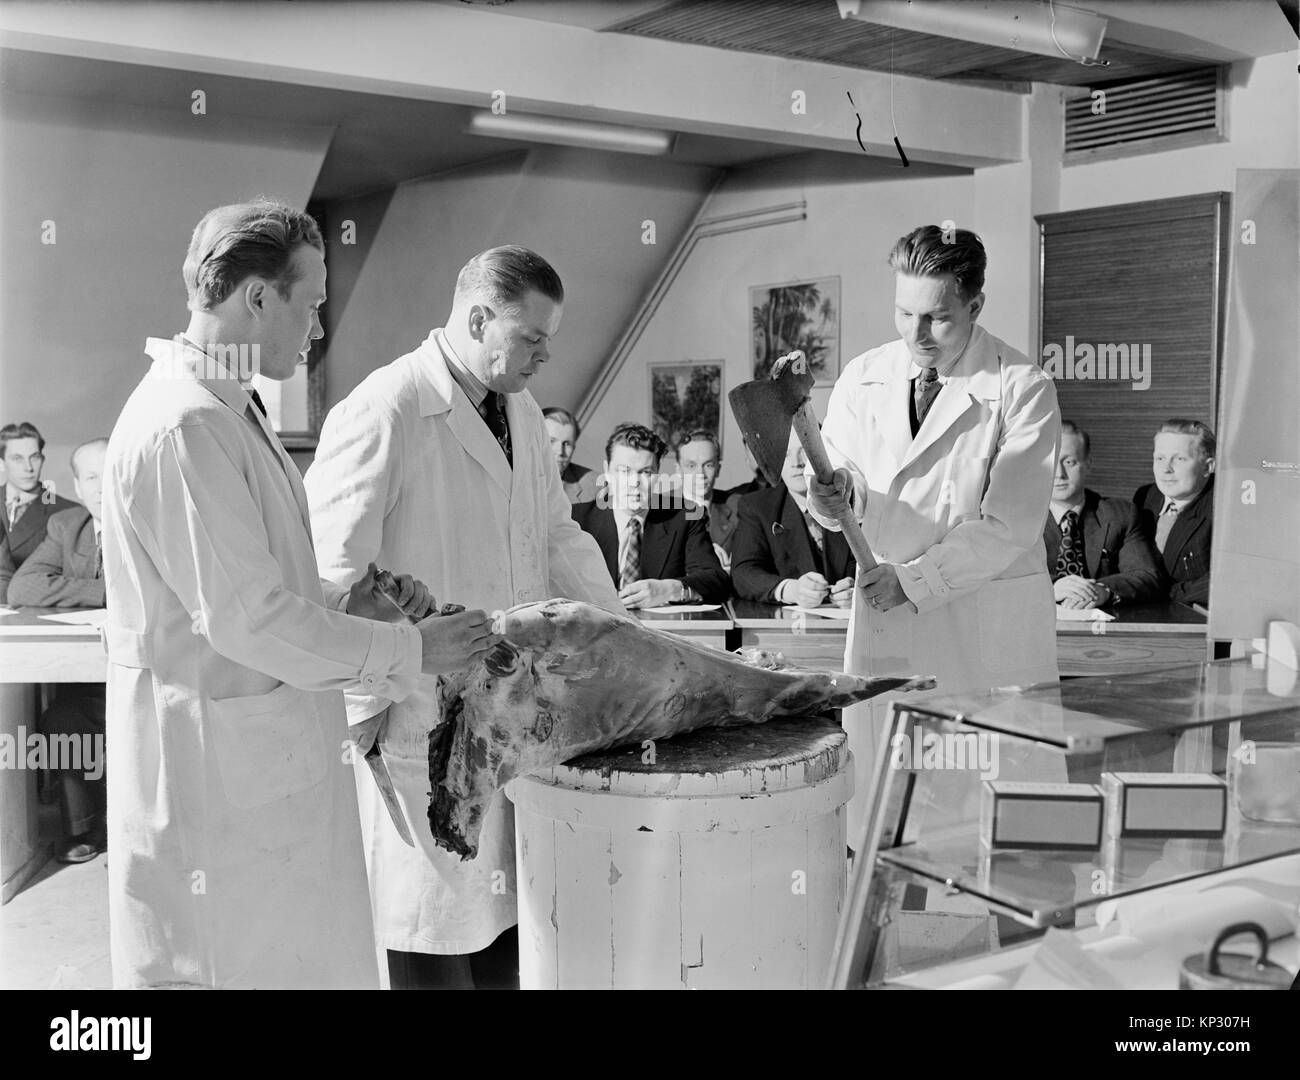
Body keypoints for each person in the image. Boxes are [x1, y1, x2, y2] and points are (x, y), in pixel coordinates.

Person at [101, 200, 497, 990]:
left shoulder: (226, 411)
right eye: (310, 305)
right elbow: (246, 620)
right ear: (257, 298)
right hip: (216, 784)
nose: (317, 329)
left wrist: (354, 609)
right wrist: (411, 650)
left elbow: (260, 586)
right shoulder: (181, 427)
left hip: (266, 768)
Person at [306, 245, 622, 990]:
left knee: (507, 939)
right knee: (432, 939)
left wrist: (618, 630)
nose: (545, 357)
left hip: (508, 714)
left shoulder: (515, 409)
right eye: (533, 338)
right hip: (417, 718)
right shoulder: (385, 408)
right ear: (479, 318)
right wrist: (375, 699)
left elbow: (556, 535)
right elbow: (324, 579)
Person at [808, 225, 1061, 842]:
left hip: (979, 624)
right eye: (903, 312)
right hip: (887, 616)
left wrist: (916, 580)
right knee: (888, 810)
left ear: (975, 306)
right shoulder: (862, 377)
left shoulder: (1022, 388)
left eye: (937, 318)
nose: (916, 335)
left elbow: (1008, 524)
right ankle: (889, 933)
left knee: (990, 818)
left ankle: (1005, 938)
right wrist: (831, 493)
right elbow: (855, 487)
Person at [9, 439, 110, 862]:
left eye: (110, 473)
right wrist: (107, 592)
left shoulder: (162, 522)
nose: (103, 486)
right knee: (62, 717)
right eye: (91, 477)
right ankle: (83, 828)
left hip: (158, 673)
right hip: (91, 681)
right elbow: (23, 586)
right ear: (78, 485)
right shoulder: (68, 525)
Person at [573, 422, 730, 607]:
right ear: (607, 471)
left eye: (645, 472)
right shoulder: (577, 520)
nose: (634, 482)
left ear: (657, 473)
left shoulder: (685, 516)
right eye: (624, 471)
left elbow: (717, 580)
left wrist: (670, 590)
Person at [1044, 421, 1164, 608]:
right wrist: (1051, 587)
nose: (1059, 474)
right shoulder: (1020, 518)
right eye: (1051, 463)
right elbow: (1000, 575)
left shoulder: (1121, 514)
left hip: (1100, 628)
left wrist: (1103, 590)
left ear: (1088, 465)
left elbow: (1146, 576)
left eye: (1069, 462)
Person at [731, 428, 856, 607]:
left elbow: (875, 562)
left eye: (803, 452)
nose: (796, 463)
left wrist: (857, 591)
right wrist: (791, 590)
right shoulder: (757, 507)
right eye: (785, 454)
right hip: (788, 627)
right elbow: (743, 573)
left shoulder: (854, 501)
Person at [1133, 419, 1216, 606]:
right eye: (1160, 458)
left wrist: (1164, 594)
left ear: (1208, 467)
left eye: (1179, 459)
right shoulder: (1145, 496)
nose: (1166, 469)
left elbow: (1228, 578)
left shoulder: (1223, 508)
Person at [0, 420, 79, 603]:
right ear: (2, 463)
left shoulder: (69, 513)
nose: (28, 468)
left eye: (34, 457)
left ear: (42, 459)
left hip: (35, 614)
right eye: (17, 458)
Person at [676, 429, 744, 569]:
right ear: (678, 470)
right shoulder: (659, 507)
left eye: (708, 465)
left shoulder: (739, 506)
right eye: (691, 466)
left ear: (718, 469)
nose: (700, 474)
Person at [543, 406, 600, 503]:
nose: (560, 451)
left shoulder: (595, 487)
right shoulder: (510, 472)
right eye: (551, 441)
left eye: (567, 444)